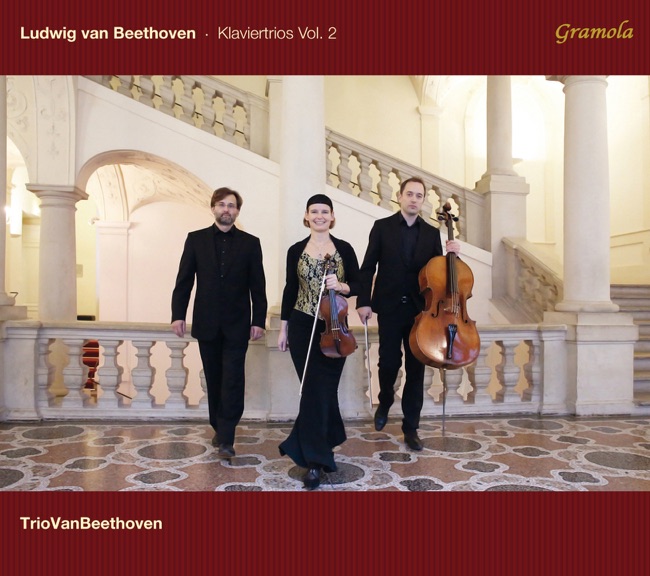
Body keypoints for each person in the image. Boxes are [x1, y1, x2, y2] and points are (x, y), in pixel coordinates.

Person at [356, 177, 460, 451]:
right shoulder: (382, 227)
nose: (414, 199)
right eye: (410, 194)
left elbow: (439, 274)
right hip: (389, 307)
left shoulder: (431, 233)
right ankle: (385, 400)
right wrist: (363, 302)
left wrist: (453, 256)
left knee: (416, 370)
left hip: (421, 312)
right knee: (388, 363)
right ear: (400, 196)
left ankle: (411, 428)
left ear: (423, 201)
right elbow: (368, 267)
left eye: (419, 195)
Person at [171, 187, 267, 459]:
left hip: (238, 324)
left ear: (237, 211)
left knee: (233, 379)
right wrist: (178, 314)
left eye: (232, 205)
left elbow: (258, 286)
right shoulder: (196, 240)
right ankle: (219, 426)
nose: (227, 209)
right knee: (214, 379)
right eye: (222, 205)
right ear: (213, 208)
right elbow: (184, 281)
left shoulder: (251, 243)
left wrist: (258, 320)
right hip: (207, 322)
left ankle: (227, 435)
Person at [277, 194, 361, 490]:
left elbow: (360, 284)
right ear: (306, 216)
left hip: (335, 327)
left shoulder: (344, 249)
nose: (320, 216)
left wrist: (342, 285)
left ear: (332, 216)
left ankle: (312, 458)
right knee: (313, 390)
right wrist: (283, 328)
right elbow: (290, 289)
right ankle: (320, 451)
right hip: (302, 325)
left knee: (321, 390)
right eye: (314, 211)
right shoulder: (295, 250)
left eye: (325, 211)